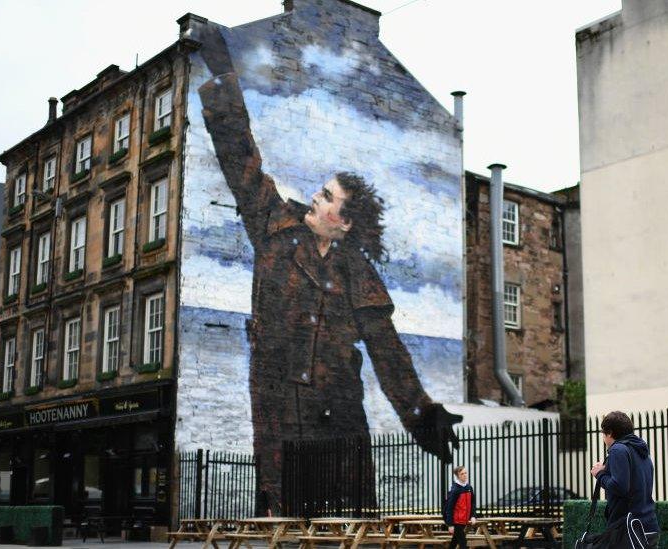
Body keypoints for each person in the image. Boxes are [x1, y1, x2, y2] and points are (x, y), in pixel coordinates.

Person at [195, 23, 463, 515]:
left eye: (324, 198)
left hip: (340, 416)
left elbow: (389, 353)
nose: (312, 201)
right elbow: (239, 154)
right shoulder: (272, 225)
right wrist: (224, 76)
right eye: (319, 192)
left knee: (350, 522)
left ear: (344, 223)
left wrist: (423, 415)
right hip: (278, 415)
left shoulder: (358, 272)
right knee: (286, 518)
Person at [590, 411, 659, 547]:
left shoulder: (618, 450)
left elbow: (619, 487)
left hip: (627, 529)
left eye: (603, 434)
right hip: (649, 526)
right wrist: (607, 470)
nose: (604, 439)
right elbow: (633, 481)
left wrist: (599, 474)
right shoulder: (641, 449)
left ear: (609, 433)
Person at [443, 466, 476, 549]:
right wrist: (450, 524)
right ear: (458, 476)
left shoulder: (469, 488)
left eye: (465, 473)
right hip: (456, 521)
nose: (465, 475)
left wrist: (473, 516)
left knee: (454, 542)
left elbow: (472, 503)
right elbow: (449, 508)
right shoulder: (455, 490)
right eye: (462, 474)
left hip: (464, 520)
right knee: (463, 542)